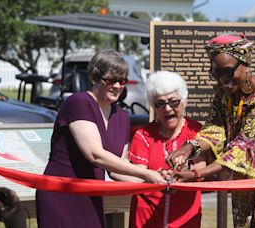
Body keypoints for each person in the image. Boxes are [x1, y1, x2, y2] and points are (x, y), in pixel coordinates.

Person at [167, 33, 255, 227]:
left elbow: (243, 149)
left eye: (227, 71)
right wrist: (188, 148)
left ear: (245, 64)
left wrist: (197, 175)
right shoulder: (224, 93)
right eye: (215, 73)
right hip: (244, 175)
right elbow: (215, 130)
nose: (222, 79)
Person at [35, 49, 166, 228]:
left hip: (91, 196)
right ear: (94, 78)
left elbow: (116, 170)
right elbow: (95, 154)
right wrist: (146, 172)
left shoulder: (122, 116)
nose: (118, 86)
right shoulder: (79, 103)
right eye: (110, 80)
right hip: (61, 193)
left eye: (122, 81)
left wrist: (154, 182)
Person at [116, 71, 204, 228]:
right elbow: (138, 174)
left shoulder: (196, 132)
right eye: (160, 104)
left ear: (184, 102)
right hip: (147, 217)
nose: (167, 108)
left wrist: (180, 175)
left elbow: (200, 170)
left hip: (186, 217)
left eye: (173, 102)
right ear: (153, 106)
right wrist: (154, 177)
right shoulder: (143, 135)